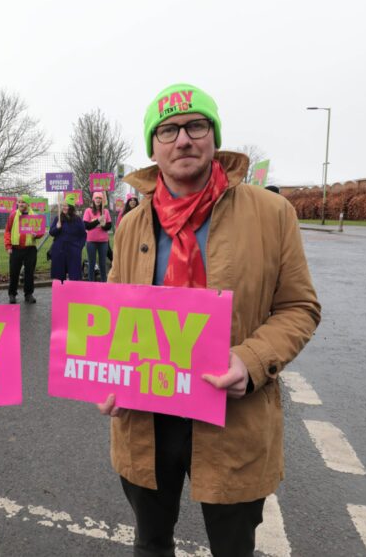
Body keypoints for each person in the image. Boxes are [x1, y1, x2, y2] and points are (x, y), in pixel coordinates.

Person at [98, 83, 321, 556]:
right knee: (150, 543)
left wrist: (251, 359)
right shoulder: (131, 224)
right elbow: (114, 317)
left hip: (231, 419)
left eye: (196, 125)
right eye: (168, 130)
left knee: (233, 548)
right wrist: (104, 373)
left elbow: (299, 307)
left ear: (213, 137)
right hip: (146, 421)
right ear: (153, 147)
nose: (183, 139)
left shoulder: (273, 213)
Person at [4, 194, 42, 304]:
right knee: (14, 273)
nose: (20, 204)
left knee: (29, 273)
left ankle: (28, 294)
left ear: (28, 204)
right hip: (15, 249)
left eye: (23, 202)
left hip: (30, 249)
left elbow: (40, 232)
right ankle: (12, 294)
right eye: (19, 202)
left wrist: (37, 235)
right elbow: (7, 231)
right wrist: (8, 246)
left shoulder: (34, 216)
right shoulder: (13, 215)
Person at [48, 194, 87, 281]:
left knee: (75, 276)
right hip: (59, 251)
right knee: (59, 276)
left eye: (66, 206)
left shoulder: (77, 220)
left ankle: (74, 293)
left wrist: (79, 247)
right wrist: (57, 228)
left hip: (73, 251)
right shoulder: (58, 218)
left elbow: (83, 235)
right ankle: (61, 293)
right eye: (63, 206)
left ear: (71, 207)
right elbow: (51, 232)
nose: (64, 208)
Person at [83, 191, 112, 282]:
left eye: (100, 198)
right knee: (92, 263)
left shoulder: (105, 212)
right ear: (93, 200)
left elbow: (109, 226)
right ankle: (91, 283)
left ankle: (104, 282)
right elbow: (86, 226)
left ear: (102, 200)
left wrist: (103, 225)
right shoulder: (88, 211)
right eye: (96, 198)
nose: (98, 200)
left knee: (102, 263)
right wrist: (98, 221)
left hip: (103, 241)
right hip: (91, 241)